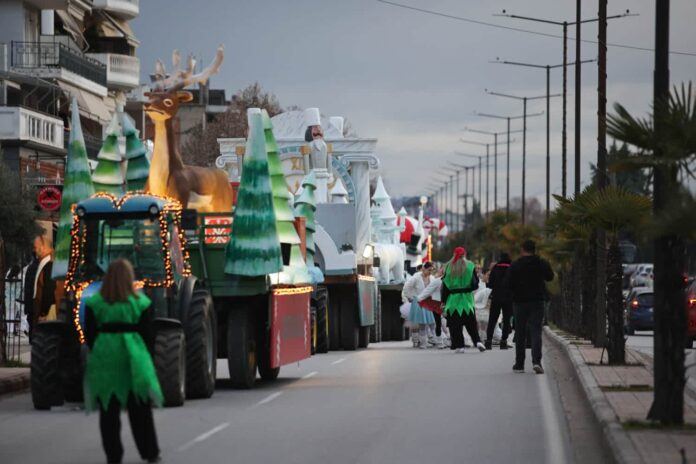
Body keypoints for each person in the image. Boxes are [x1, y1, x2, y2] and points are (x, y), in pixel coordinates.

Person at [83, 259, 162, 463]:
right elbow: (149, 336)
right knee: (140, 410)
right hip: (133, 360)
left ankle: (114, 455)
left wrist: (101, 347)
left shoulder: (95, 304)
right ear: (130, 278)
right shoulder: (141, 303)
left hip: (105, 359)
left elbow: (89, 335)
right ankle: (150, 451)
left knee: (109, 411)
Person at [508, 240, 554, 374]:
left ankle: (519, 364)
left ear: (522, 249)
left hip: (519, 302)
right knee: (535, 331)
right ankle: (536, 362)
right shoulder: (541, 262)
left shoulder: (515, 264)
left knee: (520, 332)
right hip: (537, 301)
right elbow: (550, 277)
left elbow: (508, 282)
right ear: (534, 250)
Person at [442, 247, 486, 353]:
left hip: (453, 299)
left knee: (455, 325)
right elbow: (475, 285)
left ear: (454, 254)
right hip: (467, 300)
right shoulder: (470, 266)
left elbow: (445, 287)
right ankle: (478, 341)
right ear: (464, 254)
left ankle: (460, 346)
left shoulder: (448, 266)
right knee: (471, 323)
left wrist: (443, 301)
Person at [402, 261, 436, 348]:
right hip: (418, 302)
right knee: (421, 324)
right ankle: (421, 342)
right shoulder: (416, 277)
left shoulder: (432, 278)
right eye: (429, 270)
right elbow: (406, 287)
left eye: (432, 270)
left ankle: (430, 340)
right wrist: (411, 297)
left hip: (428, 302)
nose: (430, 272)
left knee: (430, 323)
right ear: (424, 269)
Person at [485, 252, 513, 350]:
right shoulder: (512, 267)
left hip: (496, 297)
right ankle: (503, 341)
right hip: (508, 298)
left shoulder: (495, 268)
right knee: (506, 320)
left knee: (492, 319)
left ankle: (488, 341)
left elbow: (490, 284)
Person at [417, 265, 446, 349]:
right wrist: (419, 298)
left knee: (449, 323)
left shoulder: (452, 281)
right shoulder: (437, 281)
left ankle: (451, 340)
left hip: (448, 303)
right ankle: (440, 342)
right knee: (438, 323)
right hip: (436, 304)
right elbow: (428, 290)